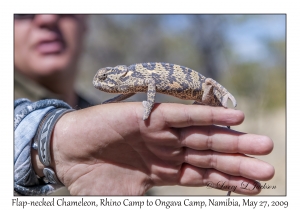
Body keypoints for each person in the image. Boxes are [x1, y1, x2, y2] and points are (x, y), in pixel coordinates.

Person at [14, 14, 275, 196]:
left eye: (64, 9)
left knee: (214, 128)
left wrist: (148, 105)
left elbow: (148, 85)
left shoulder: (131, 78)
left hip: (197, 86)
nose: (46, 18)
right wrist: (54, 144)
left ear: (85, 21)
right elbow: (127, 95)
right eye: (23, 11)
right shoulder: (111, 109)